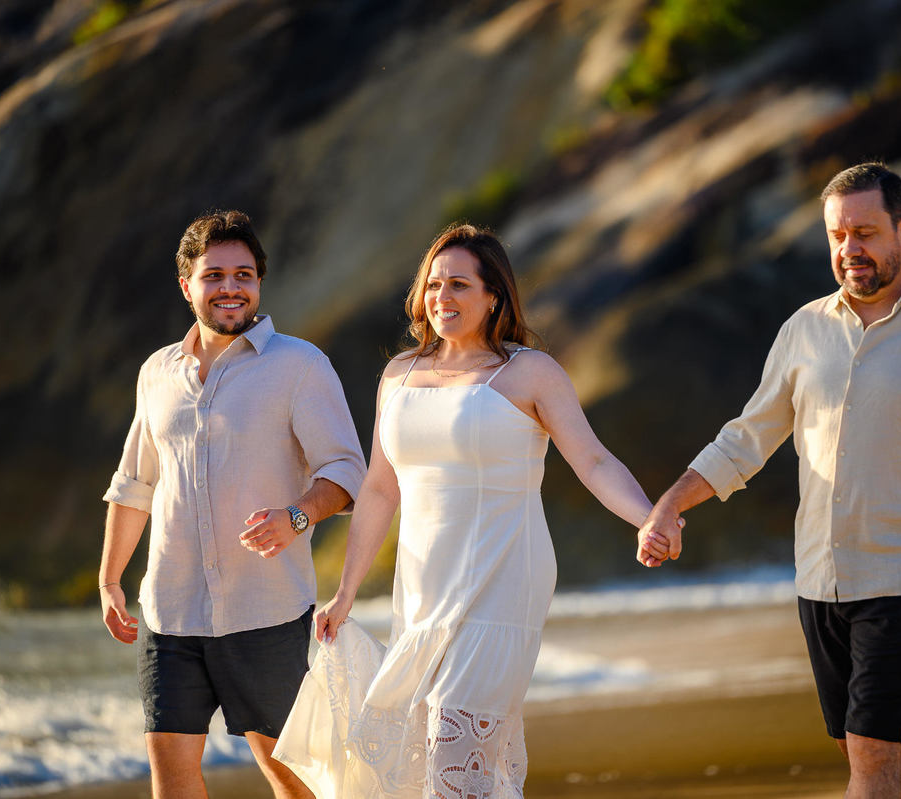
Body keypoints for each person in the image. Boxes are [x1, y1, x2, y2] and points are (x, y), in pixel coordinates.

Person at [636, 162, 901, 798]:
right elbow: (746, 439)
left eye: (865, 232)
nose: (849, 249)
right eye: (837, 236)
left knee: (870, 745)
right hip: (820, 574)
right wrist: (669, 505)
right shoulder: (803, 330)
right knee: (860, 750)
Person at [273, 223, 657, 798]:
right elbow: (380, 489)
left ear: (492, 295)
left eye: (459, 285)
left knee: (456, 748)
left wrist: (647, 518)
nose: (442, 298)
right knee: (437, 757)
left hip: (505, 579)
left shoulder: (530, 372)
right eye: (433, 285)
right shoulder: (398, 374)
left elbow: (595, 462)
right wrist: (347, 591)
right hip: (424, 587)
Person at [98, 210, 367, 799]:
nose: (230, 288)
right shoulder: (157, 373)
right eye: (214, 274)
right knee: (171, 780)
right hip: (169, 613)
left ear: (260, 284)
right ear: (186, 284)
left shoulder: (299, 366)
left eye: (243, 274)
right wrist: (110, 580)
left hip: (266, 612)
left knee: (291, 777)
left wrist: (297, 516)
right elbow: (134, 482)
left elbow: (346, 470)